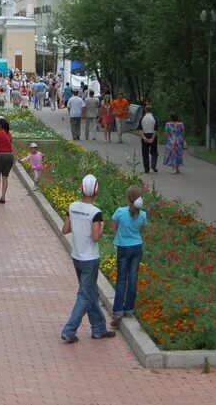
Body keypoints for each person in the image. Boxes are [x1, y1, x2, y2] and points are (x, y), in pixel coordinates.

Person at [60, 174, 116, 343]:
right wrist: (103, 225)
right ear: (96, 190)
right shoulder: (96, 212)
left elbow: (65, 229)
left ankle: (99, 328)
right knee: (85, 295)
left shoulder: (72, 206)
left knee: (91, 293)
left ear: (81, 189)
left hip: (76, 256)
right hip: (90, 259)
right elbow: (96, 237)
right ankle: (69, 330)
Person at [111, 185, 147, 326]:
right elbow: (142, 229)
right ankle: (129, 309)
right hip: (137, 247)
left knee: (121, 278)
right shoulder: (143, 215)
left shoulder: (120, 212)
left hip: (123, 247)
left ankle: (118, 311)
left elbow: (113, 228)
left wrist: (119, 236)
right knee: (133, 277)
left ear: (128, 198)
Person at [138, 105, 159, 173]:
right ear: (152, 110)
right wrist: (153, 138)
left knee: (145, 153)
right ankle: (153, 165)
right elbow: (155, 129)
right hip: (152, 135)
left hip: (145, 135)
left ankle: (146, 169)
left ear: (145, 110)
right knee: (154, 152)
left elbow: (140, 129)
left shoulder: (142, 118)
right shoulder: (155, 118)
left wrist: (143, 137)